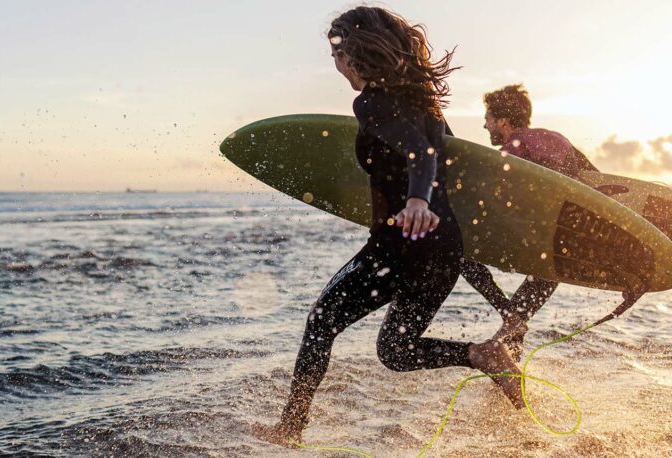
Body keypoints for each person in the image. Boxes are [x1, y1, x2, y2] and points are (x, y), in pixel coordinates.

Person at [253, 6, 524, 447]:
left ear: (356, 54)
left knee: (322, 320)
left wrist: (416, 200)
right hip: (443, 250)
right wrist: (489, 288)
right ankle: (481, 354)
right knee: (395, 351)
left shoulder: (371, 102)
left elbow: (421, 155)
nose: (335, 61)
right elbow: (445, 168)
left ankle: (290, 428)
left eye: (337, 51)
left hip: (400, 245)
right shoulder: (427, 105)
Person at [460, 84, 634, 360]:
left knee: (457, 252)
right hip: (559, 247)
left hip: (533, 238)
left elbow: (493, 195)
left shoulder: (514, 145)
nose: (484, 125)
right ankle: (508, 363)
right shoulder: (557, 138)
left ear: (503, 121)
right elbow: (596, 186)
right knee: (527, 303)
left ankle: (504, 319)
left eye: (488, 118)